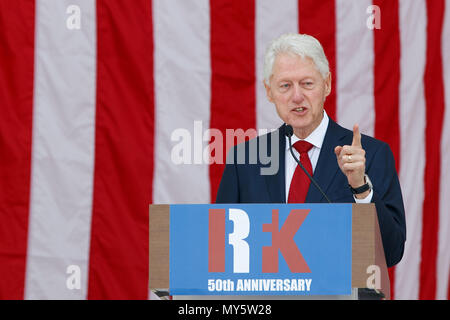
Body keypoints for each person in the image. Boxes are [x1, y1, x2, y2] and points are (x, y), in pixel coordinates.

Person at [216, 33, 406, 268]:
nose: (297, 96)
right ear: (269, 92)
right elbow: (222, 248)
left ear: (326, 84)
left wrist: (361, 188)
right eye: (285, 85)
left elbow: (391, 251)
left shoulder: (370, 155)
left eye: (307, 83)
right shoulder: (244, 160)